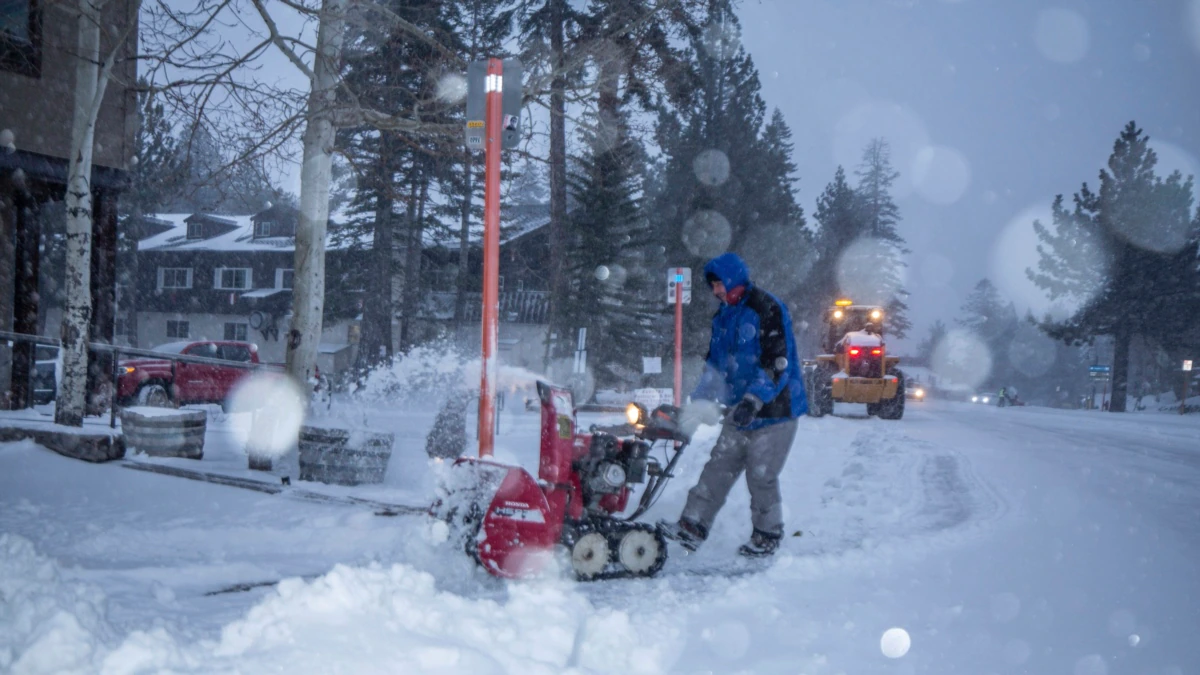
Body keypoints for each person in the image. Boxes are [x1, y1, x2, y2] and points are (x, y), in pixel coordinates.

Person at [659, 252, 807, 558]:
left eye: (719, 285)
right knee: (718, 466)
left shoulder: (766, 308)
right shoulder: (724, 317)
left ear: (734, 279)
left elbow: (778, 363)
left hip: (776, 411)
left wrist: (754, 399)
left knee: (761, 475)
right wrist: (699, 402)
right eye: (712, 287)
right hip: (740, 410)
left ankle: (767, 536)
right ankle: (692, 526)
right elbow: (714, 367)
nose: (716, 292)